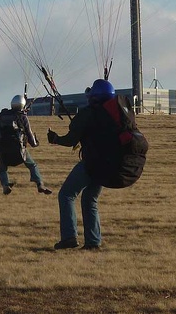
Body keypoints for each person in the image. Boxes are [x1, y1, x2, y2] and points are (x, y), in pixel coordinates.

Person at [47, 78, 117, 250]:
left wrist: (56, 139)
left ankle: (69, 237)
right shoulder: (115, 115)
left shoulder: (88, 113)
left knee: (66, 195)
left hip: (92, 163)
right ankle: (93, 242)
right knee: (89, 199)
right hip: (108, 164)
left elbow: (71, 140)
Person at [0, 94, 52, 196]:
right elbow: (29, 133)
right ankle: (40, 184)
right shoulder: (22, 117)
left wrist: (3, 129)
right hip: (19, 149)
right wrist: (35, 144)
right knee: (32, 165)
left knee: (2, 168)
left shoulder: (3, 114)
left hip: (3, 148)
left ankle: (5, 185)